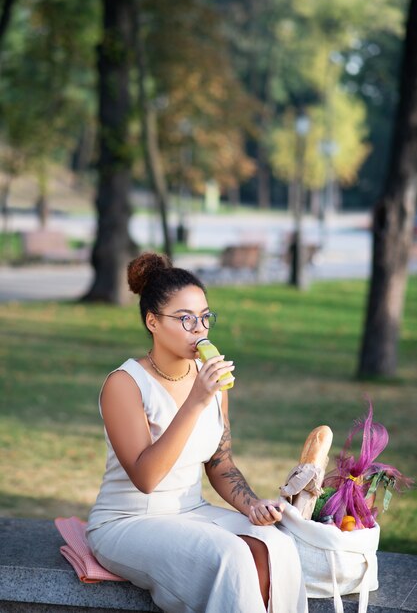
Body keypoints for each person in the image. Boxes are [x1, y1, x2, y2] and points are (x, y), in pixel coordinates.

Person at [86, 252, 307, 613]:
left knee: (275, 543)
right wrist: (195, 401)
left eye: (205, 318)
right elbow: (146, 478)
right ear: (153, 322)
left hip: (192, 510)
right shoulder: (125, 384)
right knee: (231, 555)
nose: (200, 329)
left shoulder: (210, 380)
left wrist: (254, 506)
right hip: (128, 521)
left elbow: (220, 463)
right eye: (186, 319)